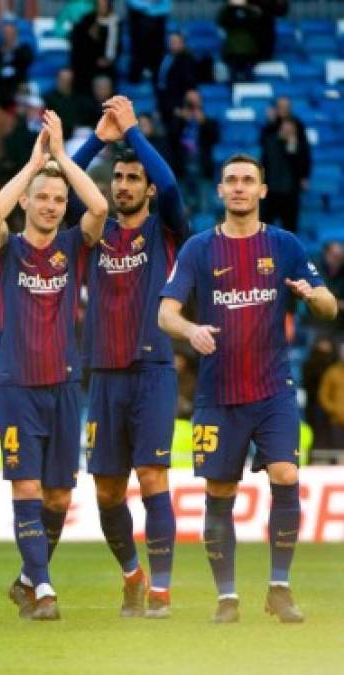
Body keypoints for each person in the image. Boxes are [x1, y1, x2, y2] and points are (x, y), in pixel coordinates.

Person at [158, 153, 339, 623]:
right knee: (220, 490)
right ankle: (227, 598)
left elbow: (329, 307)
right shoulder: (199, 249)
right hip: (217, 395)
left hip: (273, 390)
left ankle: (279, 587)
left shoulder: (285, 245)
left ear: (261, 190)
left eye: (247, 181)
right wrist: (190, 329)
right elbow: (165, 313)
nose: (239, 187)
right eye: (231, 180)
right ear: (220, 190)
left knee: (284, 475)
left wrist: (313, 296)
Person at [69, 96, 189, 618]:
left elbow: (176, 188)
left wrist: (134, 132)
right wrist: (98, 137)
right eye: (117, 178)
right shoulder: (95, 233)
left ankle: (160, 589)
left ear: (147, 189)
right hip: (105, 375)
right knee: (107, 489)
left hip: (154, 370)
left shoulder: (165, 231)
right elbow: (64, 187)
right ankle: (132, 576)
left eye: (132, 179)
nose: (122, 186)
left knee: (154, 479)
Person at [0, 111, 108, 621]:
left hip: (63, 385)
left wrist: (61, 159)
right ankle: (43, 588)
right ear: (25, 201)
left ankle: (26, 576)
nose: (52, 205)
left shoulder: (70, 247)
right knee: (27, 487)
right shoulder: (5, 249)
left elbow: (99, 205)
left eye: (59, 199)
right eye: (42, 196)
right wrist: (36, 163)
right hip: (17, 386)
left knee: (58, 497)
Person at [260, 98, 311, 233]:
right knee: (265, 227)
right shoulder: (270, 133)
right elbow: (264, 148)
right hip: (271, 189)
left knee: (290, 228)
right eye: (281, 106)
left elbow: (304, 156)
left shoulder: (298, 127)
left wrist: (304, 176)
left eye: (286, 106)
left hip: (290, 190)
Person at [69, 0, 121, 95]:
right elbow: (78, 44)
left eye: (104, 5)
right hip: (87, 64)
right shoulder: (87, 20)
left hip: (107, 67)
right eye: (99, 5)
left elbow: (117, 47)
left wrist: (108, 60)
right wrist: (90, 37)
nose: (102, 8)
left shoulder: (115, 22)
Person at [155, 32, 199, 129]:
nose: (172, 44)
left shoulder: (187, 60)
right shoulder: (165, 58)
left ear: (182, 43)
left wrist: (182, 109)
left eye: (175, 42)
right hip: (166, 102)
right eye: (171, 42)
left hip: (179, 103)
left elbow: (190, 86)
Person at [0, 20, 34, 107]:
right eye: (5, 32)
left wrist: (13, 49)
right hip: (0, 84)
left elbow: (26, 64)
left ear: (15, 33)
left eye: (10, 32)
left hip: (19, 82)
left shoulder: (24, 49)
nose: (7, 35)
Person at [217, 0, 262, 82]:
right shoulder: (228, 11)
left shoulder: (251, 10)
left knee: (249, 80)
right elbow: (221, 21)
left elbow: (258, 23)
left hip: (249, 51)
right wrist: (230, 7)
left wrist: (246, 7)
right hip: (232, 50)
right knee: (233, 79)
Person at [126, 0, 171, 84]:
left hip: (159, 14)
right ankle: (137, 74)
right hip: (138, 13)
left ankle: (156, 76)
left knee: (158, 50)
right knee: (139, 46)